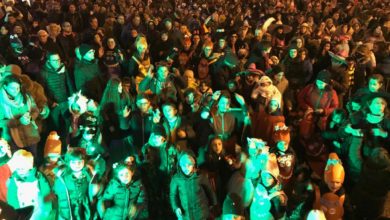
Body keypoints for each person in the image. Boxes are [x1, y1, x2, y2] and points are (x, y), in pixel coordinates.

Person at [53, 147, 102, 220]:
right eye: (73, 162)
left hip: (85, 205)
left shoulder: (88, 174)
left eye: (80, 162)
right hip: (70, 205)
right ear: (69, 162)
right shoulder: (64, 177)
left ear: (84, 162)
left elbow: (94, 188)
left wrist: (96, 189)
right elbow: (57, 190)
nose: (77, 165)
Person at [170, 150, 217, 220]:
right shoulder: (176, 179)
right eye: (183, 165)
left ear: (194, 164)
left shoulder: (200, 176)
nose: (186, 168)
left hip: (202, 213)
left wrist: (214, 205)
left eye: (189, 164)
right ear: (179, 165)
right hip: (186, 215)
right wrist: (176, 207)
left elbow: (209, 190)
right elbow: (173, 195)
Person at [6, 150, 53, 219]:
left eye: (23, 166)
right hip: (22, 213)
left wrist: (46, 209)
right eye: (18, 167)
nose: (20, 169)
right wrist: (15, 212)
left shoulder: (39, 177)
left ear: (29, 165)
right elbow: (12, 197)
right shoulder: (13, 180)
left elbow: (46, 192)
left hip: (38, 212)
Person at [0, 75, 40, 155]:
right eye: (12, 88)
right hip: (14, 139)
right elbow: (1, 122)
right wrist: (18, 121)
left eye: (18, 88)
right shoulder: (1, 102)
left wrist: (30, 118)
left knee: (32, 160)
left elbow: (35, 110)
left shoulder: (26, 96)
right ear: (5, 87)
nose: (16, 91)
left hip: (31, 135)